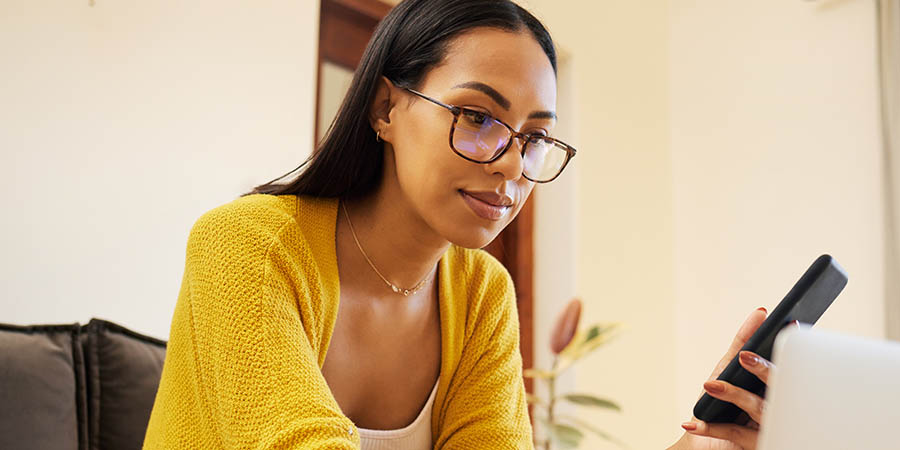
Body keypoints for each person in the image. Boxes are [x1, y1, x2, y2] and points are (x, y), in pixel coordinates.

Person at [143, 0, 772, 448]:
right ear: (386, 108)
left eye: (534, 137)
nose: (510, 165)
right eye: (476, 116)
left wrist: (698, 449)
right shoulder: (248, 244)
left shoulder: (480, 293)